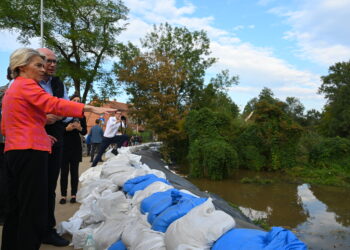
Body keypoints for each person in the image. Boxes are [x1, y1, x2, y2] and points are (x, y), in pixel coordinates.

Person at [1, 48, 115, 250]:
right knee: (32, 208)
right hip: (30, 152)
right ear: (22, 67)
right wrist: (89, 108)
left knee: (16, 206)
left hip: (15, 150)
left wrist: (39, 132)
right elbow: (51, 103)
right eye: (38, 64)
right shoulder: (27, 84)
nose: (43, 68)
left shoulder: (13, 89)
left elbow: (8, 124)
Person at [37, 47, 72, 246]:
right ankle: (30, 229)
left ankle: (47, 229)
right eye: (46, 61)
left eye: (54, 61)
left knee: (50, 185)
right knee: (33, 186)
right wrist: (43, 117)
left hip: (55, 137)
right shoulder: (27, 84)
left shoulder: (58, 84)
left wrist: (58, 115)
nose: (51, 65)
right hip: (33, 140)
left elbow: (66, 110)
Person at [59, 94, 87, 205]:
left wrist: (80, 128)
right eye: (74, 100)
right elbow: (58, 130)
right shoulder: (63, 114)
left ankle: (74, 194)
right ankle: (63, 195)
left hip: (75, 147)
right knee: (64, 173)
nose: (76, 102)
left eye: (78, 100)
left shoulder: (81, 116)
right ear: (69, 101)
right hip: (64, 146)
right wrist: (66, 129)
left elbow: (84, 132)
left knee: (74, 172)